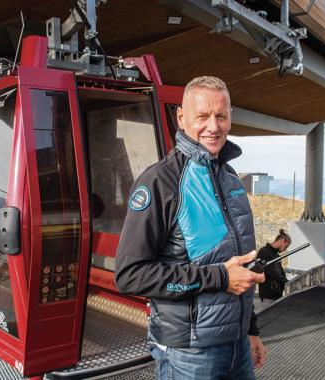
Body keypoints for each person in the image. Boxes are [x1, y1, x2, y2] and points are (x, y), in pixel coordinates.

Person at [115, 76, 267, 379]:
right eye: (203, 116)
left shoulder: (231, 178)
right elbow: (130, 275)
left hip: (236, 344)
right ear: (182, 118)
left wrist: (250, 329)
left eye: (221, 116)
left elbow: (237, 260)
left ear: (230, 119)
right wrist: (219, 277)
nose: (213, 126)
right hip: (188, 353)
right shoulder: (160, 182)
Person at [257, 229, 291, 311]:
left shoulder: (276, 255)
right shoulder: (264, 252)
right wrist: (286, 282)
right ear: (282, 241)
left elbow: (281, 272)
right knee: (267, 317)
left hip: (276, 293)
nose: (285, 249)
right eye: (286, 246)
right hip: (268, 294)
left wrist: (285, 282)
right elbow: (272, 272)